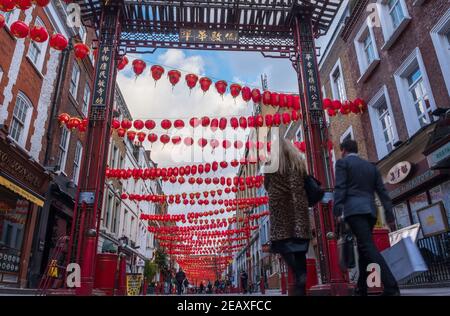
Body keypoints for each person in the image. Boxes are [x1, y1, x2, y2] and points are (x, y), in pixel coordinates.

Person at [333, 139, 400, 296]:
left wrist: (337, 211)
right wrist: (389, 215)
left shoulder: (342, 164)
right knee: (364, 249)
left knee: (368, 247)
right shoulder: (371, 167)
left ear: (343, 150)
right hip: (371, 212)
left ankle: (391, 287)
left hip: (354, 211)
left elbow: (340, 188)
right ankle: (361, 289)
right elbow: (382, 192)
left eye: (341, 151)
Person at [263, 139, 310, 296]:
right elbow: (306, 180)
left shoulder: (270, 165)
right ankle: (301, 281)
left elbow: (266, 185)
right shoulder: (299, 162)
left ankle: (297, 273)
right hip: (298, 208)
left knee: (281, 245)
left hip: (280, 211)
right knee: (300, 248)